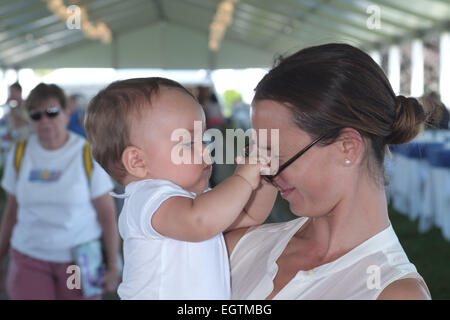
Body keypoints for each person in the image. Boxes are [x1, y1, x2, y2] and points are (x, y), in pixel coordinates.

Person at [225, 43, 431, 300]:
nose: (264, 171)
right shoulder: (240, 246)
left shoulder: (392, 293)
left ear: (347, 147)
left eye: (276, 154)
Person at [84, 77, 277, 299]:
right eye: (187, 143)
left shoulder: (195, 202)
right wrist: (243, 178)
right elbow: (200, 221)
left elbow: (249, 215)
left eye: (204, 139)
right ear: (137, 161)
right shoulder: (148, 198)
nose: (206, 151)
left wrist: (264, 179)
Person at [0, 83, 121, 300]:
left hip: (77, 262)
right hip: (28, 256)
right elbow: (11, 212)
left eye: (52, 112)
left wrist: (113, 264)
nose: (45, 120)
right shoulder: (19, 153)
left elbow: (107, 215)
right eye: (36, 115)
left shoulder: (87, 153)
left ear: (67, 113)